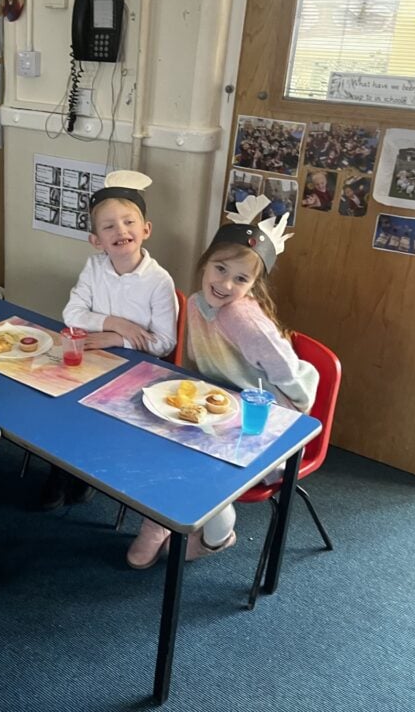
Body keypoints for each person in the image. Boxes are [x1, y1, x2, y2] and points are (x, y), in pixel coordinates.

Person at [126, 193, 318, 569]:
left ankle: (216, 535)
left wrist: (295, 413)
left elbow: (286, 371)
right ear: (205, 263)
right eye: (220, 269)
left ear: (253, 285)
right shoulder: (198, 302)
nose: (226, 284)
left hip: (264, 413)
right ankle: (159, 519)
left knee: (204, 460)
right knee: (158, 432)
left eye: (241, 279)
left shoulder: (244, 319)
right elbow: (198, 366)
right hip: (217, 402)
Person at [41, 171, 178, 510]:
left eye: (129, 222)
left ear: (145, 230)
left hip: (138, 371)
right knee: (56, 399)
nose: (121, 231)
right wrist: (114, 322)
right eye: (109, 226)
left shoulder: (159, 282)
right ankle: (61, 469)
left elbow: (163, 344)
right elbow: (72, 313)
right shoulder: (94, 267)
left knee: (100, 411)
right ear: (97, 240)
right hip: (92, 358)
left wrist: (117, 338)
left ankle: (86, 473)